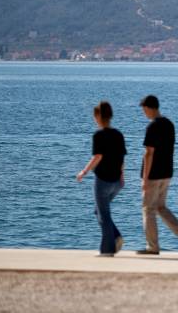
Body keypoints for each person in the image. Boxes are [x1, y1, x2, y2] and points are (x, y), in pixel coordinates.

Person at [137, 95, 178, 255]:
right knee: (160, 207)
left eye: (144, 109)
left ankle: (152, 247)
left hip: (153, 175)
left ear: (150, 108)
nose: (144, 113)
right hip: (167, 173)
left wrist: (145, 178)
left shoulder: (152, 127)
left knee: (148, 209)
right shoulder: (169, 125)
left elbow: (149, 153)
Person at [76, 101, 127, 257]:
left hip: (103, 181)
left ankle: (107, 250)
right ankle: (116, 237)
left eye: (94, 115)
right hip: (117, 182)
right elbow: (122, 158)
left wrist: (84, 172)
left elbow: (98, 156)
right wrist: (122, 178)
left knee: (103, 215)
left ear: (98, 116)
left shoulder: (99, 135)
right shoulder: (118, 134)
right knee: (99, 211)